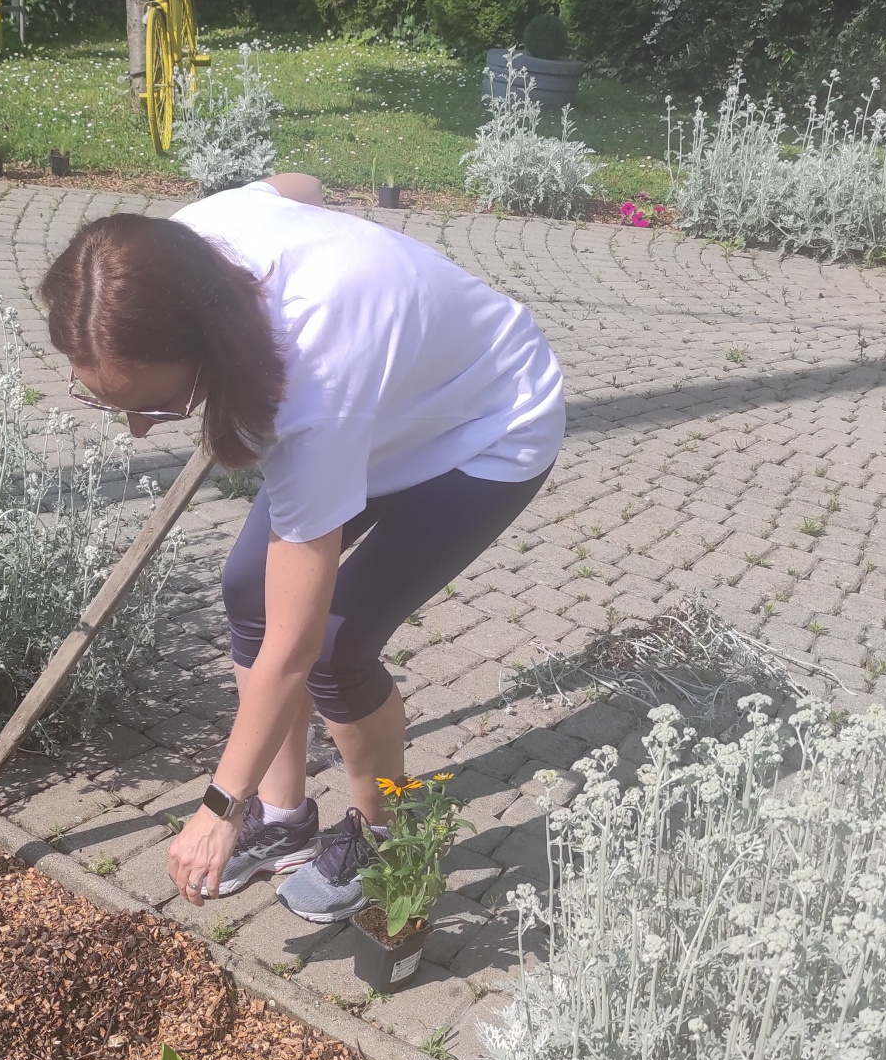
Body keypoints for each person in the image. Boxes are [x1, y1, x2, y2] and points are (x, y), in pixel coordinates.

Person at [39, 175, 564, 921]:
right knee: (248, 591)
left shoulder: (311, 387)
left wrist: (218, 804)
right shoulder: (183, 247)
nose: (140, 430)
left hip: (486, 428)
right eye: (108, 401)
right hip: (378, 409)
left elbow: (295, 643)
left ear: (212, 351)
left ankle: (382, 833)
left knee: (336, 648)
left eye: (159, 405)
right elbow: (299, 185)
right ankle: (283, 816)